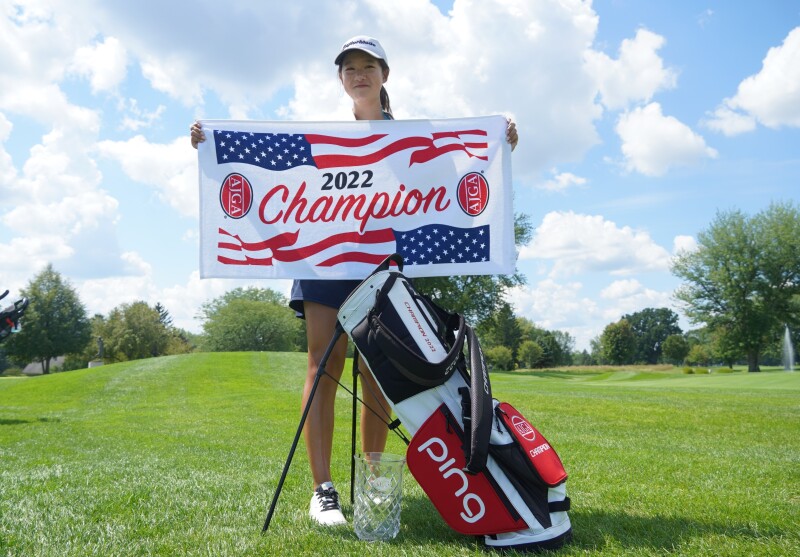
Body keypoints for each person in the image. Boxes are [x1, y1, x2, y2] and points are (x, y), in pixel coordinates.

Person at [190, 35, 518, 527]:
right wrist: (209, 142)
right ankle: (323, 490)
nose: (359, 74)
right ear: (341, 80)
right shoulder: (327, 137)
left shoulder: (411, 135)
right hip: (323, 259)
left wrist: (501, 139)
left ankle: (374, 483)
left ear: (385, 74)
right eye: (349, 68)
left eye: (368, 65)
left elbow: (458, 173)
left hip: (382, 264)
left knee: (378, 372)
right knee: (324, 364)